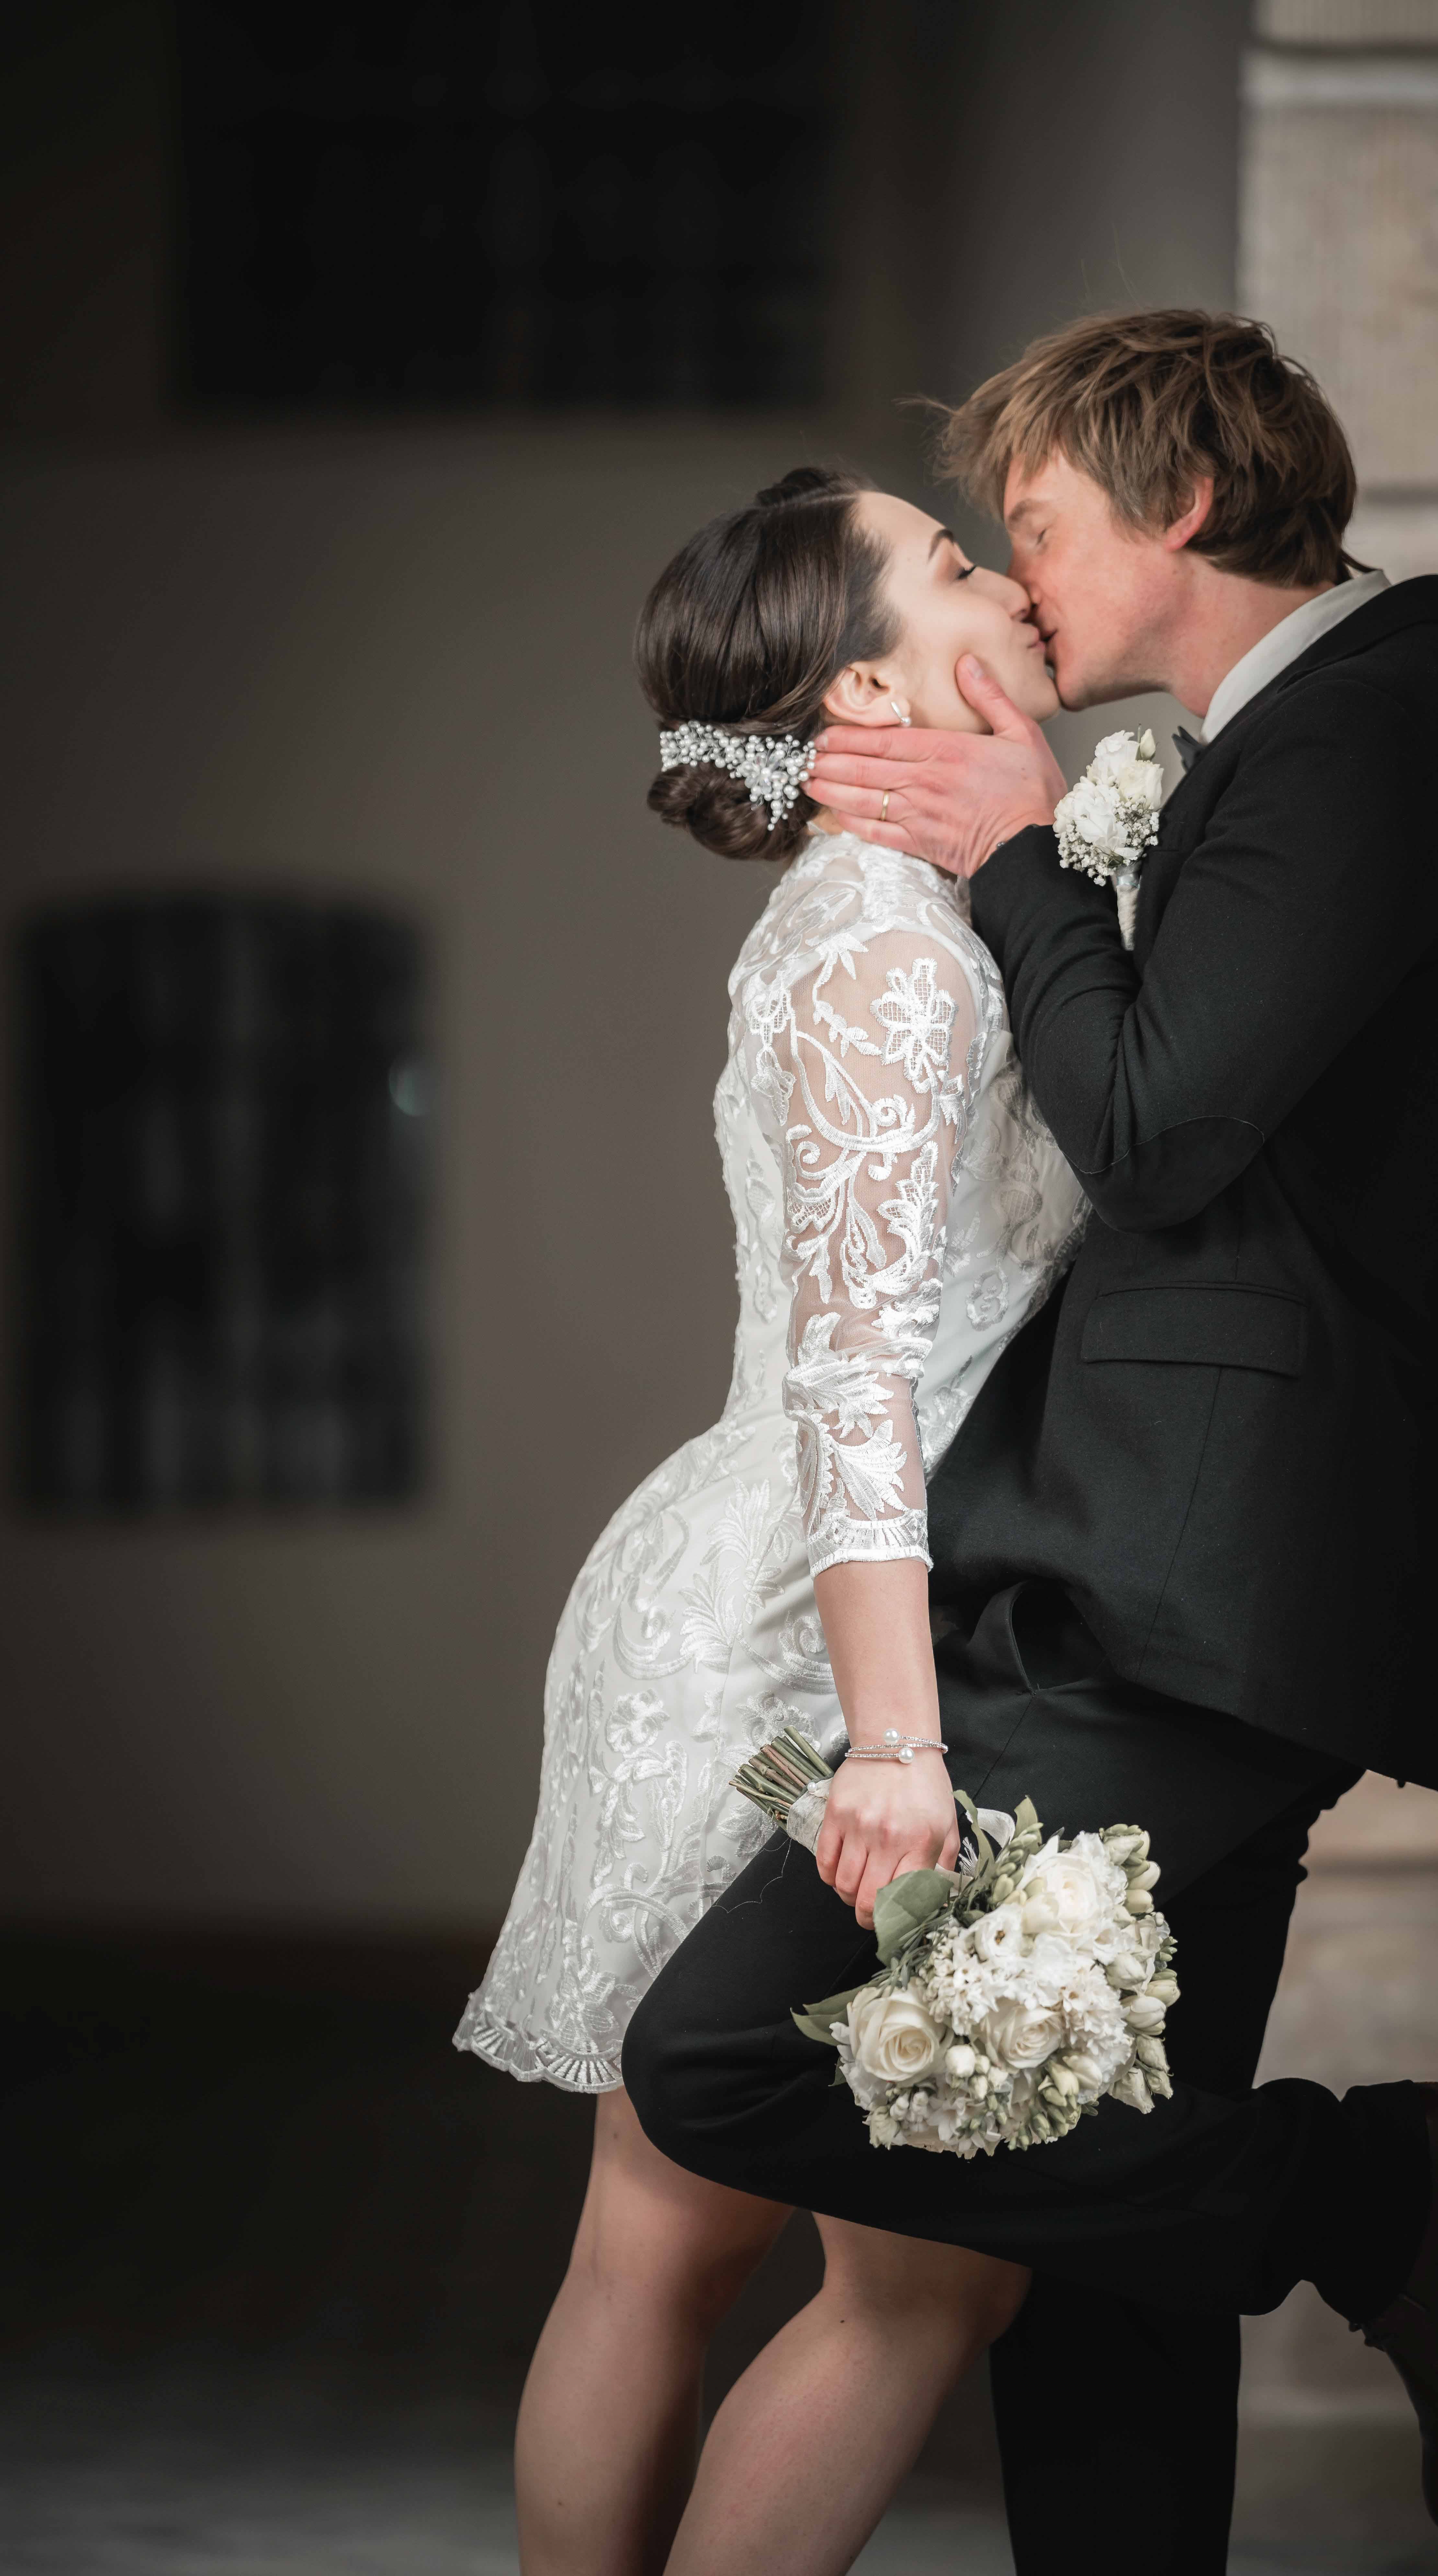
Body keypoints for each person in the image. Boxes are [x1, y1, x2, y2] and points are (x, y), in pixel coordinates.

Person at [622, 311, 1438, 2570]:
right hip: (1155, 1564)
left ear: (1180, 511)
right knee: (1104, 2301)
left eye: (1030, 527)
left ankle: (1363, 2182)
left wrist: (1027, 849)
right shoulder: (1290, 730)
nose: (1019, 585)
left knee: (718, 2062)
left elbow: (1150, 1133)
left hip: (1183, 1583)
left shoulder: (1366, 724)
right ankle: (1333, 2195)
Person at [454, 464, 1089, 2574]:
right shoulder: (879, 950)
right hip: (791, 1637)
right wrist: (892, 1743)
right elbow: (858, 1377)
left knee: (682, 2242)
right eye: (946, 558)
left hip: (828, 1587)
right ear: (857, 675)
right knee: (897, 2275)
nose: (999, 574)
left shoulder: (930, 897)